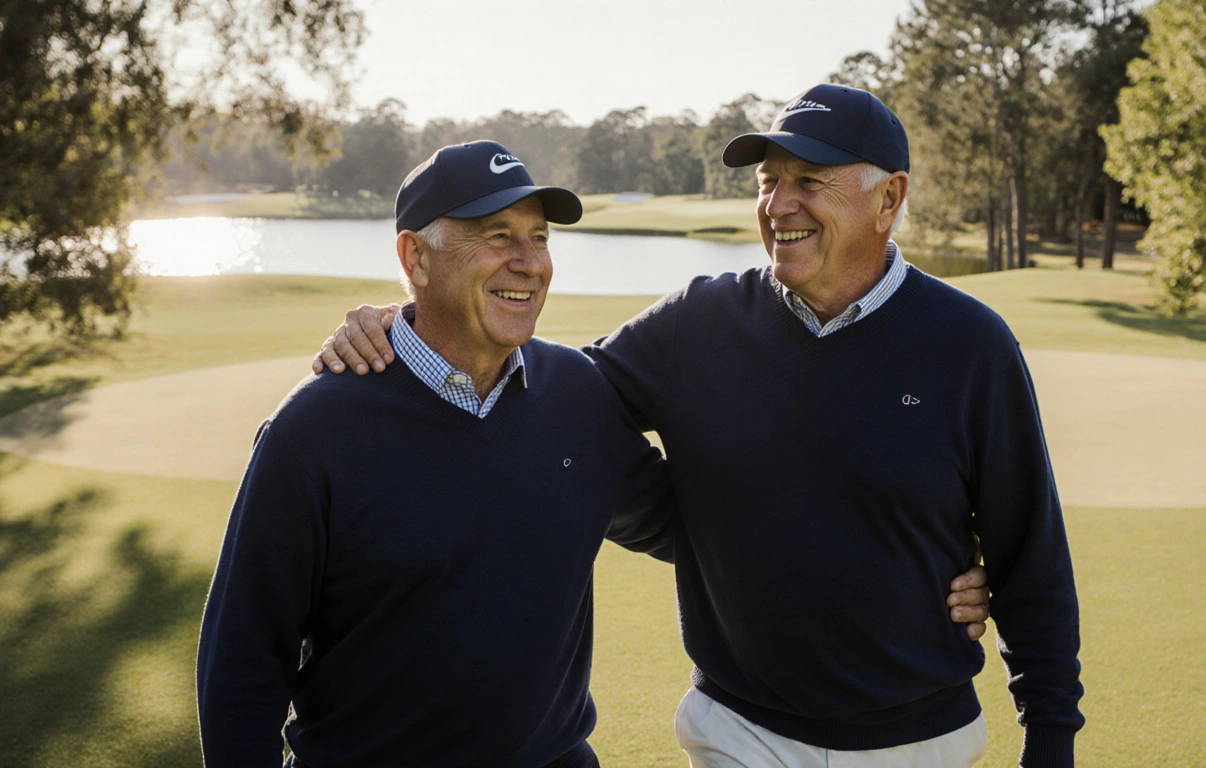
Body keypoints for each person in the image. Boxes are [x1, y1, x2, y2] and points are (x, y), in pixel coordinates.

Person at [320, 84, 1053, 768]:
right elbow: (549, 398)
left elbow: (1032, 555)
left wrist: (1052, 740)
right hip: (740, 731)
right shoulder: (701, 323)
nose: (780, 204)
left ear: (888, 199)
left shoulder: (971, 346)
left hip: (922, 740)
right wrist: (412, 324)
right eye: (768, 181)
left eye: (809, 181)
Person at [197, 141, 682, 767]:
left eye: (539, 238)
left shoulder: (579, 395)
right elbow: (241, 668)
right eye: (497, 236)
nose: (529, 263)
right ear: (415, 257)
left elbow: (693, 528)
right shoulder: (313, 432)